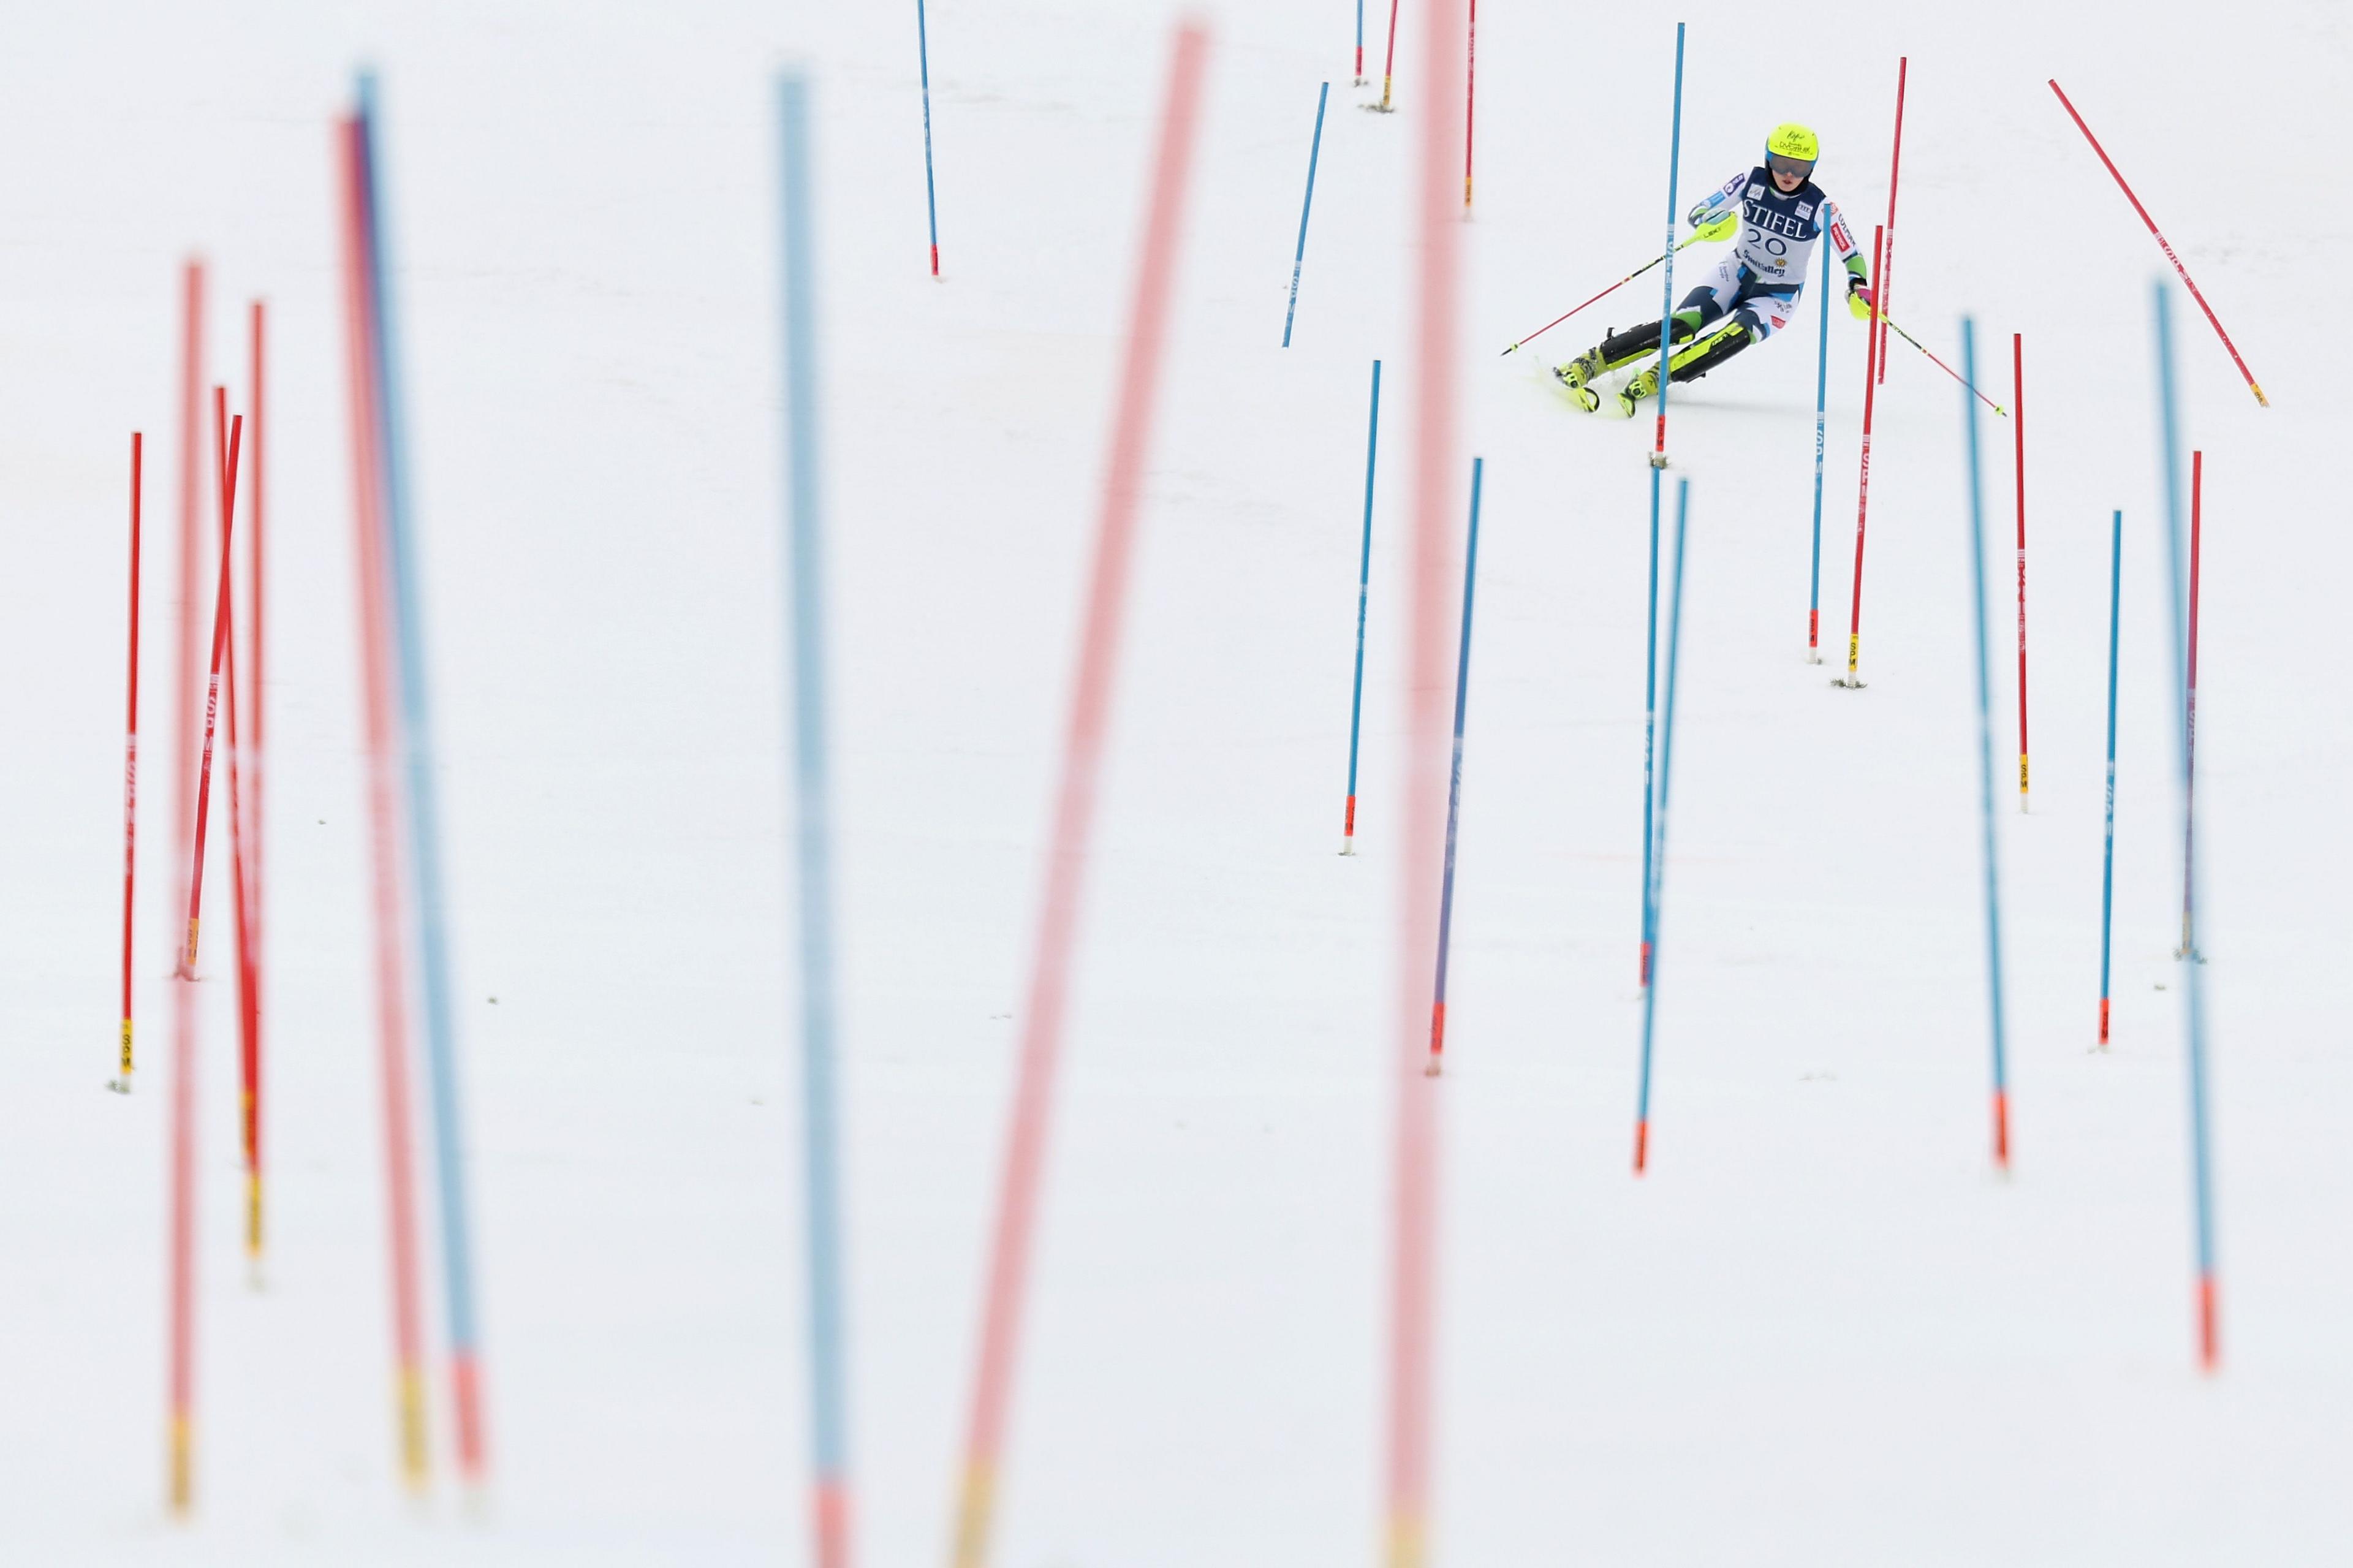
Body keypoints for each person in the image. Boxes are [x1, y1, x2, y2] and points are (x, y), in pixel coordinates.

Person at [1557, 124, 1872, 415]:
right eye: (1780, 163)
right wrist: (1712, 222)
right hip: (1735, 273)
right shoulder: (1751, 181)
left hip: (1777, 295)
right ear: (1767, 159)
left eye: (1800, 167)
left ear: (1812, 168)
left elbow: (1851, 254)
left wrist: (1858, 285)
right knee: (1682, 326)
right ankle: (1590, 362)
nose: (1789, 174)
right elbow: (1700, 211)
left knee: (1736, 335)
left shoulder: (1822, 207)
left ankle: (1659, 376)